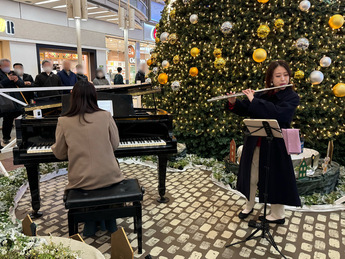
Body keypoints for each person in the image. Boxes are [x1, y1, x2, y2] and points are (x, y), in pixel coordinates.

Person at [227, 60, 301, 224]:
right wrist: (234, 103)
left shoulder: (291, 96)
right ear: (271, 79)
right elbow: (246, 107)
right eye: (278, 76)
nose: (283, 79)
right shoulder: (263, 94)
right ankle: (249, 205)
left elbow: (280, 114)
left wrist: (255, 101)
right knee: (251, 176)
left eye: (286, 75)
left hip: (275, 144)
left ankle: (277, 214)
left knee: (276, 177)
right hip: (255, 142)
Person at [51, 80, 124, 236]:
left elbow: (60, 154)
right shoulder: (106, 115)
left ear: (73, 97)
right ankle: (109, 221)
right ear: (94, 96)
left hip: (81, 180)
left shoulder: (63, 121)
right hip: (110, 176)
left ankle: (90, 223)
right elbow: (115, 144)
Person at [0, 58, 26, 145]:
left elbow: (22, 84)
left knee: (22, 116)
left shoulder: (13, 73)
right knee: (8, 120)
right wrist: (8, 79)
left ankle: (23, 135)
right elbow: (1, 85)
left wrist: (16, 80)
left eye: (8, 66)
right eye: (5, 66)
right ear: (1, 66)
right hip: (6, 101)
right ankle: (6, 137)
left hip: (18, 100)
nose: (8, 68)